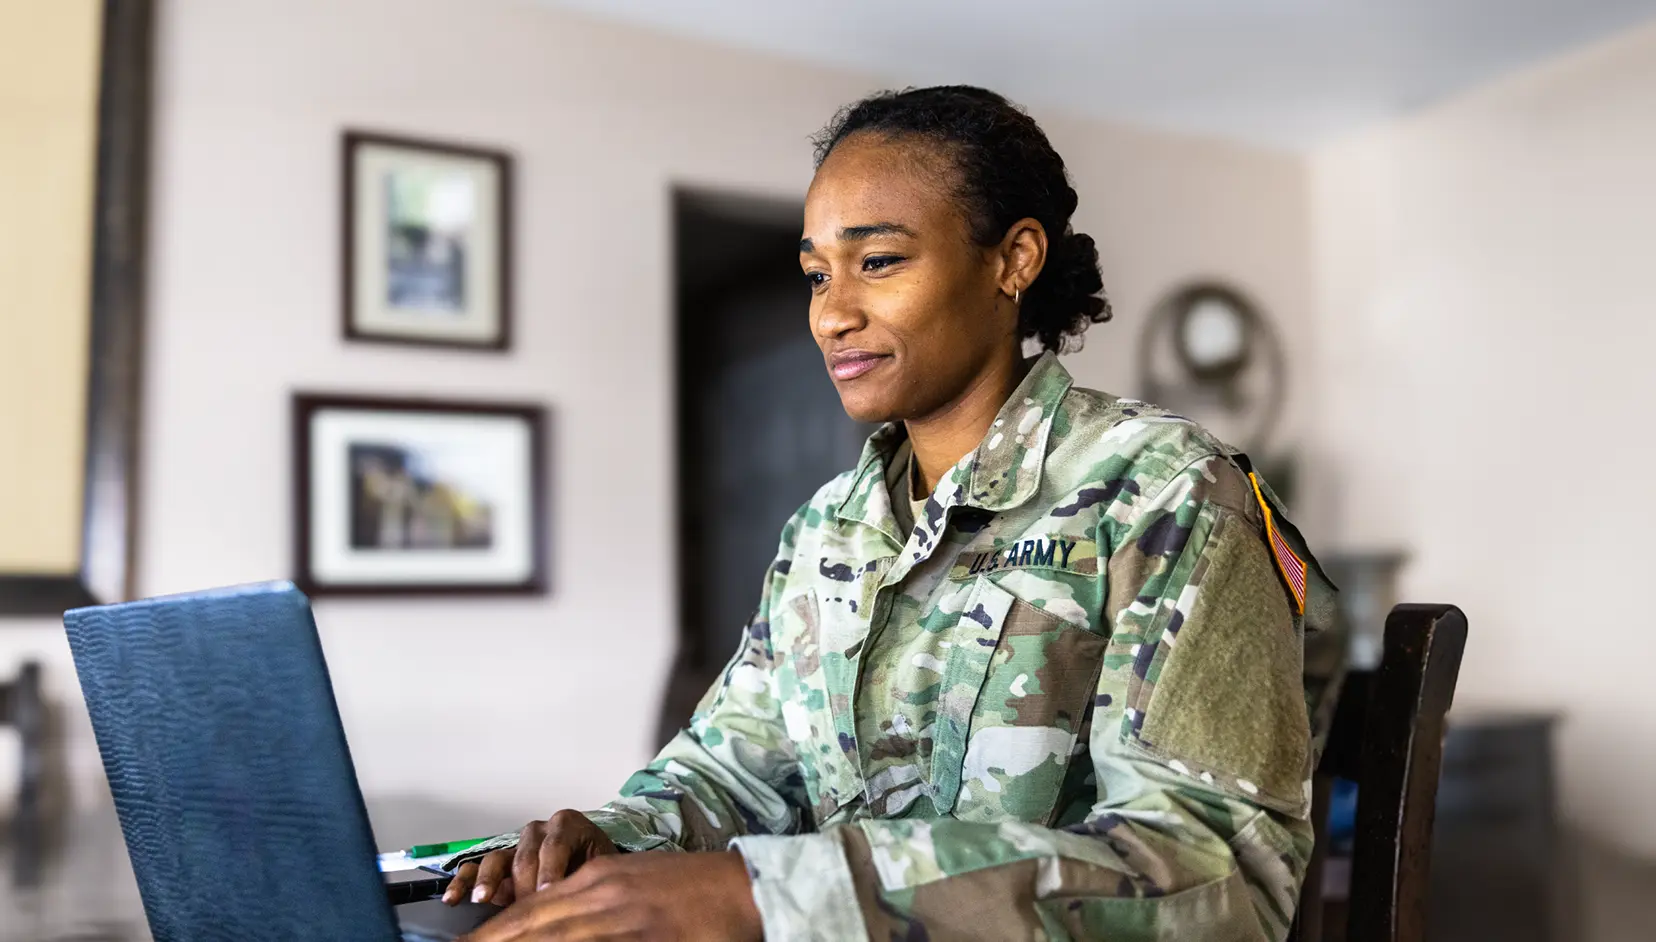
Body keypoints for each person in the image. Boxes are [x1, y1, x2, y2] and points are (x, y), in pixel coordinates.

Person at [442, 85, 1341, 941]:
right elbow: (731, 773)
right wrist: (609, 841)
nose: (833, 314)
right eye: (815, 274)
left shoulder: (1167, 492)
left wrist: (771, 900)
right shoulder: (826, 530)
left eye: (877, 262)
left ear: (1013, 259)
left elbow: (1214, 882)